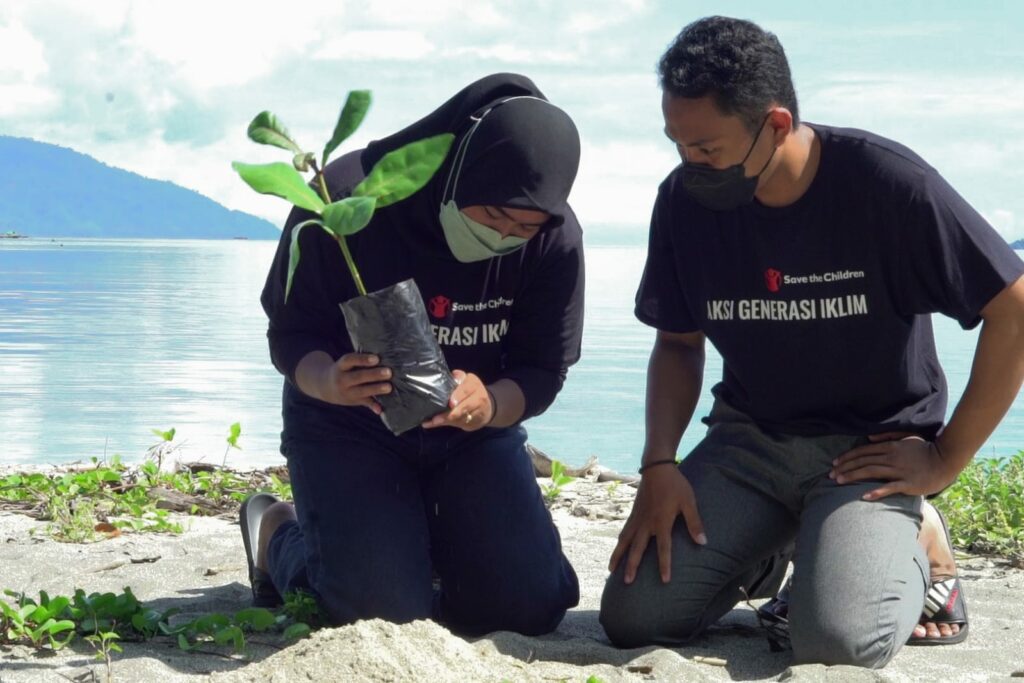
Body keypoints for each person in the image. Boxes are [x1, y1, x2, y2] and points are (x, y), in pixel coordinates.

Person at [599, 16, 1024, 668]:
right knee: (635, 618)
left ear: (773, 124)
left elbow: (1014, 309)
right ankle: (774, 547)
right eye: (677, 144)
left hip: (869, 453)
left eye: (707, 149)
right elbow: (679, 342)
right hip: (750, 445)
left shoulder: (887, 185)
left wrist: (946, 459)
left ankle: (926, 547)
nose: (690, 165)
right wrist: (660, 462)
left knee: (837, 643)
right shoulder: (683, 203)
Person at [244, 73, 584, 636]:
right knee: (377, 612)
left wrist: (492, 403)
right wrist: (329, 379)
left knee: (528, 607)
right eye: (492, 216)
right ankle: (276, 529)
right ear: (457, 174)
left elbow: (545, 369)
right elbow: (291, 334)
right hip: (347, 426)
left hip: (473, 436)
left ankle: (425, 545)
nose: (504, 236)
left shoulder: (557, 240)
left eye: (524, 226)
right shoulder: (347, 198)